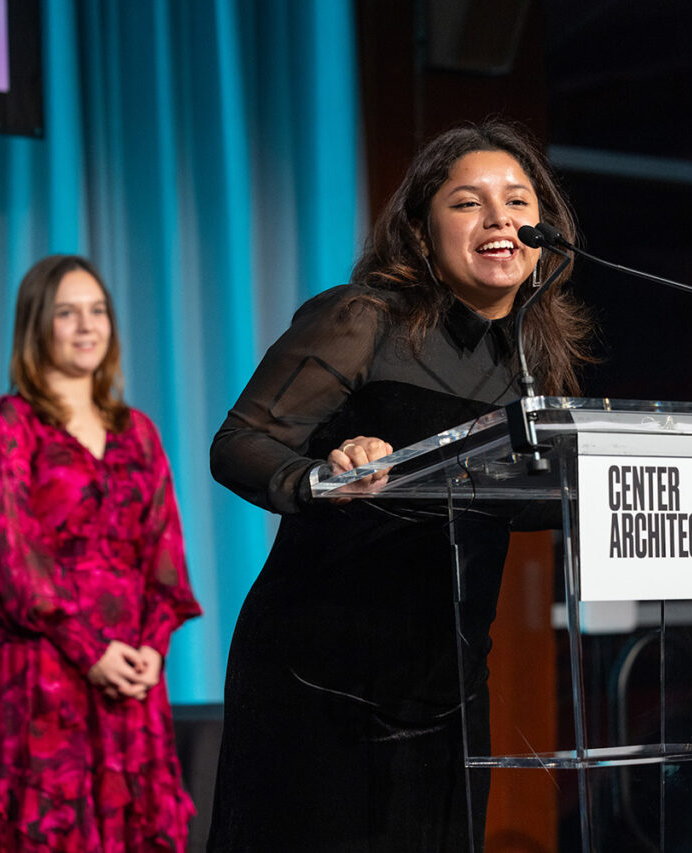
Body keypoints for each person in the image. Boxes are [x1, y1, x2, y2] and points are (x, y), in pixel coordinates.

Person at [207, 120, 594, 851]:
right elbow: (238, 445)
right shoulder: (364, 319)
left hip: (445, 690)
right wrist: (318, 475)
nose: (500, 218)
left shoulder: (533, 360)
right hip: (316, 677)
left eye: (517, 201)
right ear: (420, 231)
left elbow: (525, 499)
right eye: (468, 202)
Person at [0, 254, 202, 852]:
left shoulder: (138, 432)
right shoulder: (7, 427)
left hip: (130, 680)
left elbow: (164, 554)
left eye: (97, 311)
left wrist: (152, 645)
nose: (86, 326)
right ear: (36, 326)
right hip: (42, 677)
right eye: (67, 313)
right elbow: (12, 560)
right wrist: (90, 649)